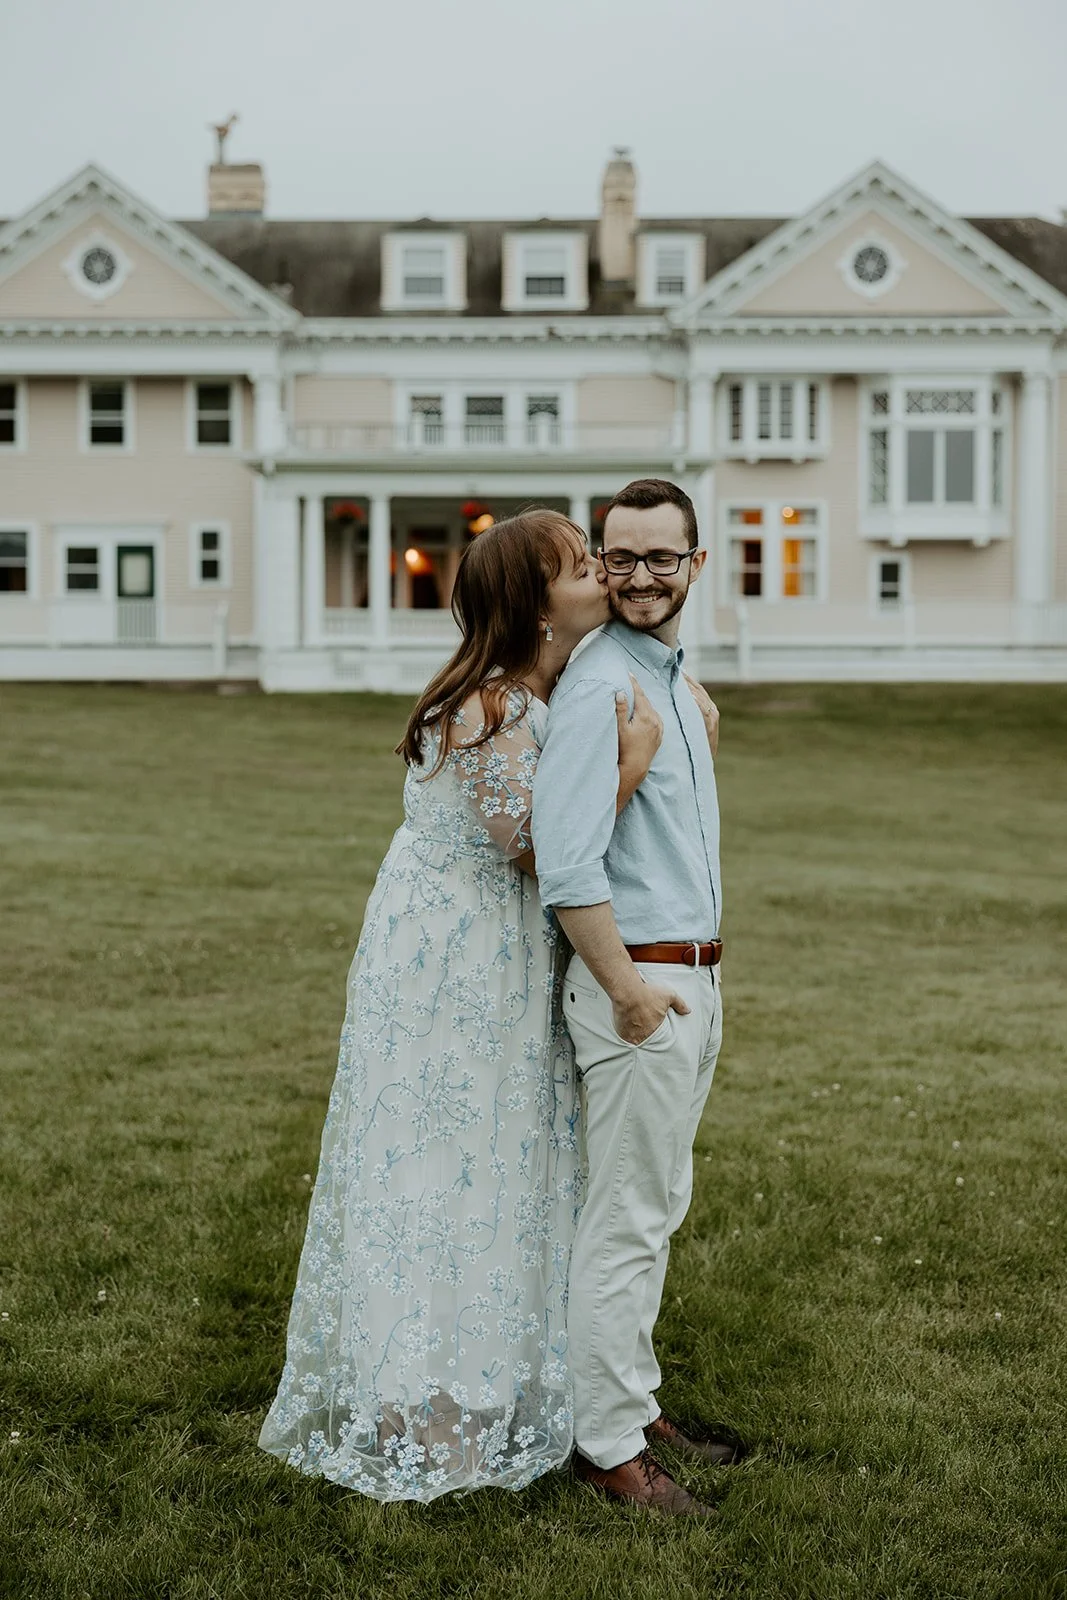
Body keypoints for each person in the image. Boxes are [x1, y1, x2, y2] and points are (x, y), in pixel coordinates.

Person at [258, 509, 662, 1503]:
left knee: (501, 1156)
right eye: (580, 565)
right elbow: (533, 844)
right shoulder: (488, 705)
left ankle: (488, 1370)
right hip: (449, 963)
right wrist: (630, 767)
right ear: (533, 604)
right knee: (438, 1163)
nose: (601, 573)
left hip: (499, 951)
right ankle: (415, 1394)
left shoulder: (543, 690)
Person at [532, 478, 735, 1519]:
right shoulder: (598, 686)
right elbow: (566, 865)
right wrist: (630, 995)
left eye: (663, 557)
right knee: (625, 1219)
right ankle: (606, 1445)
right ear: (599, 562)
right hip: (640, 984)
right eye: (621, 557)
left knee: (653, 1210)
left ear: (695, 564)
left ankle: (630, 1396)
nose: (641, 575)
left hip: (688, 975)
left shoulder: (667, 678)